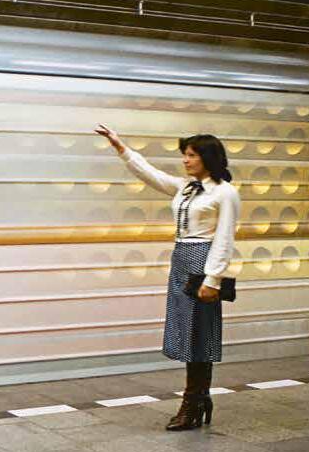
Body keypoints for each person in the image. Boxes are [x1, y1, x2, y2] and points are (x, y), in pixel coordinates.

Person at [94, 124, 241, 430]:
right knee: (187, 332)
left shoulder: (225, 192)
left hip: (203, 261)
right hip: (181, 259)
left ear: (208, 157)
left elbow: (225, 238)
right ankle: (200, 398)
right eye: (185, 155)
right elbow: (151, 175)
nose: (185, 160)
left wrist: (213, 279)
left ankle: (193, 402)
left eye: (191, 155)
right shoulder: (186, 187)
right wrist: (121, 148)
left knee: (200, 333)